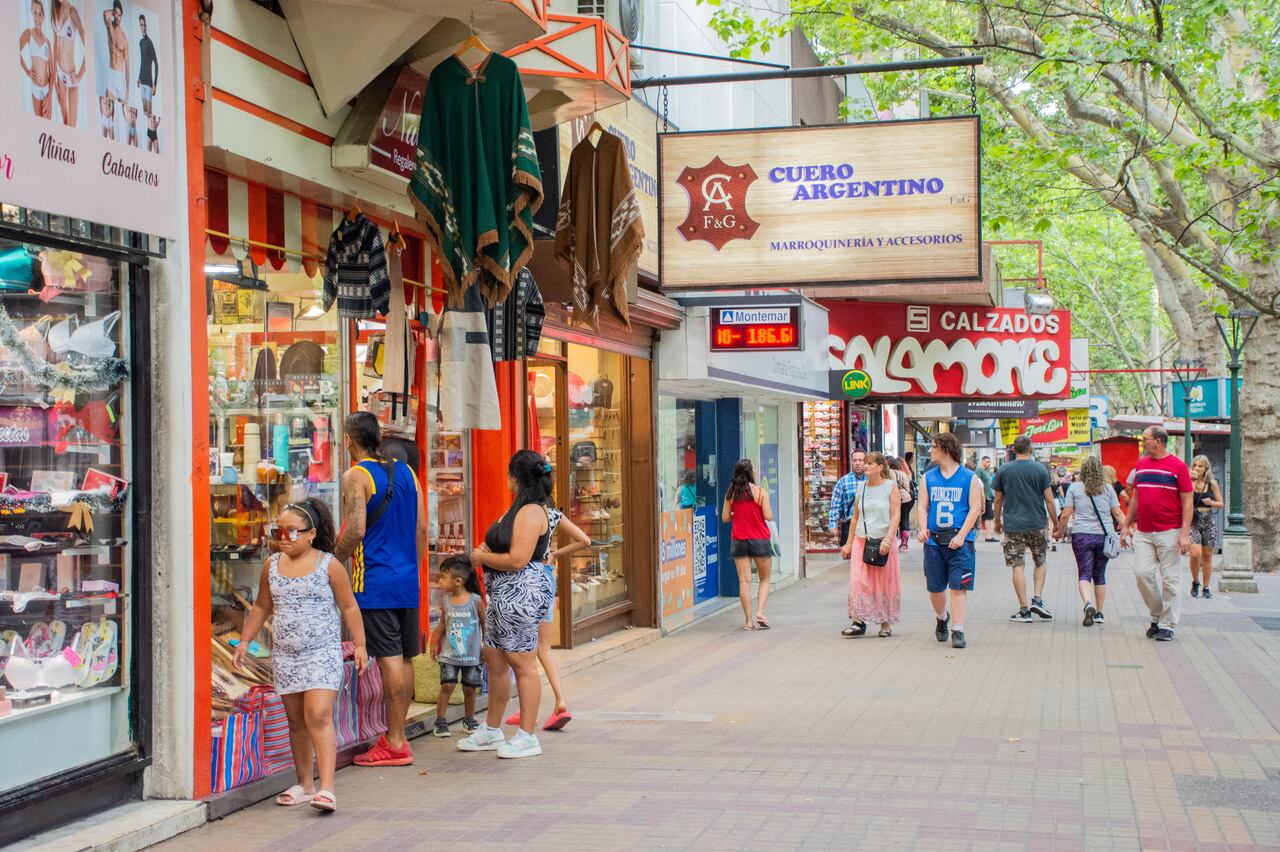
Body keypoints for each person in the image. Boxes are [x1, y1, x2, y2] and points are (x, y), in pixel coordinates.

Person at [234, 499, 367, 814]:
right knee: (295, 720)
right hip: (286, 656)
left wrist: (360, 644)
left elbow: (348, 605)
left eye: (292, 532)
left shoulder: (328, 564)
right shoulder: (272, 565)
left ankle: (327, 788)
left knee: (318, 715)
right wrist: (244, 640)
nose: (284, 537)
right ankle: (304, 784)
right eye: (279, 531)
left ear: (311, 534)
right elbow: (262, 606)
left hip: (321, 653)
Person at [334, 412, 427, 767]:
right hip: (406, 579)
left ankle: (396, 741)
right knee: (404, 656)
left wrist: (332, 561)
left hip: (373, 579)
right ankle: (397, 734)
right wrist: (410, 568)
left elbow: (355, 529)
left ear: (348, 440)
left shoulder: (355, 476)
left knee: (388, 657)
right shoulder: (408, 474)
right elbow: (420, 530)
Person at [462, 450, 558, 759]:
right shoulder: (518, 508)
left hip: (520, 593)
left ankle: (527, 734)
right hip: (500, 593)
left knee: (522, 662)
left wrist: (480, 558)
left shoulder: (531, 512)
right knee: (496, 659)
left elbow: (517, 559)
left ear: (514, 478)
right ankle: (492, 729)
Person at [504, 501, 591, 732]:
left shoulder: (520, 514)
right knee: (544, 647)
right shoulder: (552, 514)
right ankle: (560, 700)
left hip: (524, 582)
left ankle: (526, 711)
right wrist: (555, 554)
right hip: (546, 578)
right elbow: (584, 540)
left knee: (526, 651)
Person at [1122, 426, 1193, 641]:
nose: (1142, 442)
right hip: (1144, 531)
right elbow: (1135, 498)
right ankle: (1158, 614)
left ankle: (1167, 625)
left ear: (1159, 442)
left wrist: (1184, 533)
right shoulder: (1141, 465)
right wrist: (1126, 524)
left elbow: (1188, 501)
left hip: (1169, 531)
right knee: (1142, 574)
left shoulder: (1178, 467)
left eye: (1145, 439)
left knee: (1170, 580)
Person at [917, 432, 984, 649]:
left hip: (960, 541)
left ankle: (958, 629)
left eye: (933, 446)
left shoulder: (970, 478)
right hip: (934, 542)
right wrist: (922, 529)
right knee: (935, 587)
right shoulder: (928, 478)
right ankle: (941, 616)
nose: (930, 450)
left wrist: (962, 535)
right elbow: (922, 506)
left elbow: (975, 508)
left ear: (945, 449)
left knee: (958, 586)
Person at [993, 436, 1058, 623]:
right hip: (1038, 523)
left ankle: (1023, 610)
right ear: (1031, 449)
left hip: (1013, 525)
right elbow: (1049, 500)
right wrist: (1056, 524)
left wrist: (997, 521)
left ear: (1014, 449)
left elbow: (998, 499)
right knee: (1040, 561)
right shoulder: (1040, 469)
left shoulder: (1004, 469)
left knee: (1017, 566)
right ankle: (1037, 598)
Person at [1056, 456, 1126, 627]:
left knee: (1084, 573)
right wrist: (1127, 529)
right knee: (1100, 574)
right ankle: (1100, 613)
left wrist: (1059, 530)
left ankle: (1088, 603)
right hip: (1104, 536)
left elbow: (1066, 514)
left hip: (1082, 535)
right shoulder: (1108, 488)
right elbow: (1117, 513)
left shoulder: (1074, 487)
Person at [839, 451, 901, 638]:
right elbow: (855, 517)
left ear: (880, 467)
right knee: (859, 581)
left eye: (870, 463)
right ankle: (859, 621)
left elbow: (895, 515)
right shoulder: (861, 488)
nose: (865, 466)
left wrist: (888, 539)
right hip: (861, 540)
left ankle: (885, 623)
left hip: (882, 541)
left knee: (882, 583)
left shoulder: (890, 486)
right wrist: (848, 543)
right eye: (864, 463)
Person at [430, 555, 485, 738]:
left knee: (470, 688)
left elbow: (485, 625)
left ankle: (469, 720)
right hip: (449, 655)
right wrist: (434, 643)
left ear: (458, 581)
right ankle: (440, 721)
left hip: (472, 656)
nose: (440, 580)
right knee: (447, 686)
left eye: (444, 577)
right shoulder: (446, 601)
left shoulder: (475, 601)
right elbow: (442, 626)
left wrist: (485, 647)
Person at [723, 459, 774, 631]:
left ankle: (748, 621)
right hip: (759, 539)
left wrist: (736, 515)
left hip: (739, 540)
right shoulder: (760, 492)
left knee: (744, 582)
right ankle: (760, 612)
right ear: (750, 472)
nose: (756, 470)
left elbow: (724, 518)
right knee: (765, 578)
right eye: (754, 468)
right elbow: (768, 516)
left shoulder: (731, 494)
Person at [1188, 455, 1223, 599]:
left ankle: (1206, 587)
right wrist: (1192, 481)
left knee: (1208, 556)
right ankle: (1195, 581)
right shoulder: (1189, 482)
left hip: (1208, 522)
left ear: (1206, 468)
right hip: (1193, 522)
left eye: (1200, 466)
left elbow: (1221, 503)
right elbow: (1186, 500)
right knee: (1195, 554)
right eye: (1195, 465)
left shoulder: (1212, 484)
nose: (1196, 468)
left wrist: (1212, 503)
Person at [51, 0, 86, 128]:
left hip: (71, 77)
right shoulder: (55, 11)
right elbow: (55, 45)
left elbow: (89, 46)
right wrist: (54, 76)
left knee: (72, 127)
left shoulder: (73, 12)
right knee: (64, 124)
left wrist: (80, 75)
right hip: (59, 74)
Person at [19, 0, 54, 119]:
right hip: (35, 89)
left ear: (43, 16)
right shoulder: (28, 33)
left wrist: (49, 96)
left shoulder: (47, 42)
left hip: (47, 90)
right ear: (31, 13)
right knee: (39, 126)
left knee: (49, 127)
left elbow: (52, 73)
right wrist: (27, 71)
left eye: (40, 14)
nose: (37, 17)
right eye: (35, 13)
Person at [827, 449, 867, 551]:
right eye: (855, 460)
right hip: (849, 527)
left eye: (860, 460)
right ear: (851, 462)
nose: (857, 463)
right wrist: (833, 524)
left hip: (869, 525)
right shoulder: (843, 482)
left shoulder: (871, 480)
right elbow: (835, 505)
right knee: (852, 561)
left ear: (865, 462)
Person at [889, 457, 914, 552]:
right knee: (905, 520)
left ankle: (893, 541)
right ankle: (904, 544)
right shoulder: (904, 473)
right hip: (908, 499)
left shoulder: (891, 473)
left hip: (897, 499)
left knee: (894, 519)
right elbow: (910, 479)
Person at [136, 13, 157, 115]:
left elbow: (156, 64)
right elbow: (142, 61)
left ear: (146, 26)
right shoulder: (141, 42)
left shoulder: (149, 43)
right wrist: (139, 77)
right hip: (142, 81)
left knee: (149, 113)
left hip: (149, 83)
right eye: (141, 25)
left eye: (144, 25)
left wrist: (155, 85)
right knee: (144, 112)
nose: (143, 27)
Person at [976, 455, 996, 542]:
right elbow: (977, 482)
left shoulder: (986, 471)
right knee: (988, 517)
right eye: (987, 461)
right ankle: (988, 536)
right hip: (983, 497)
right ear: (983, 461)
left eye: (990, 462)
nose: (989, 464)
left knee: (989, 517)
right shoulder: (979, 470)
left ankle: (989, 535)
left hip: (988, 496)